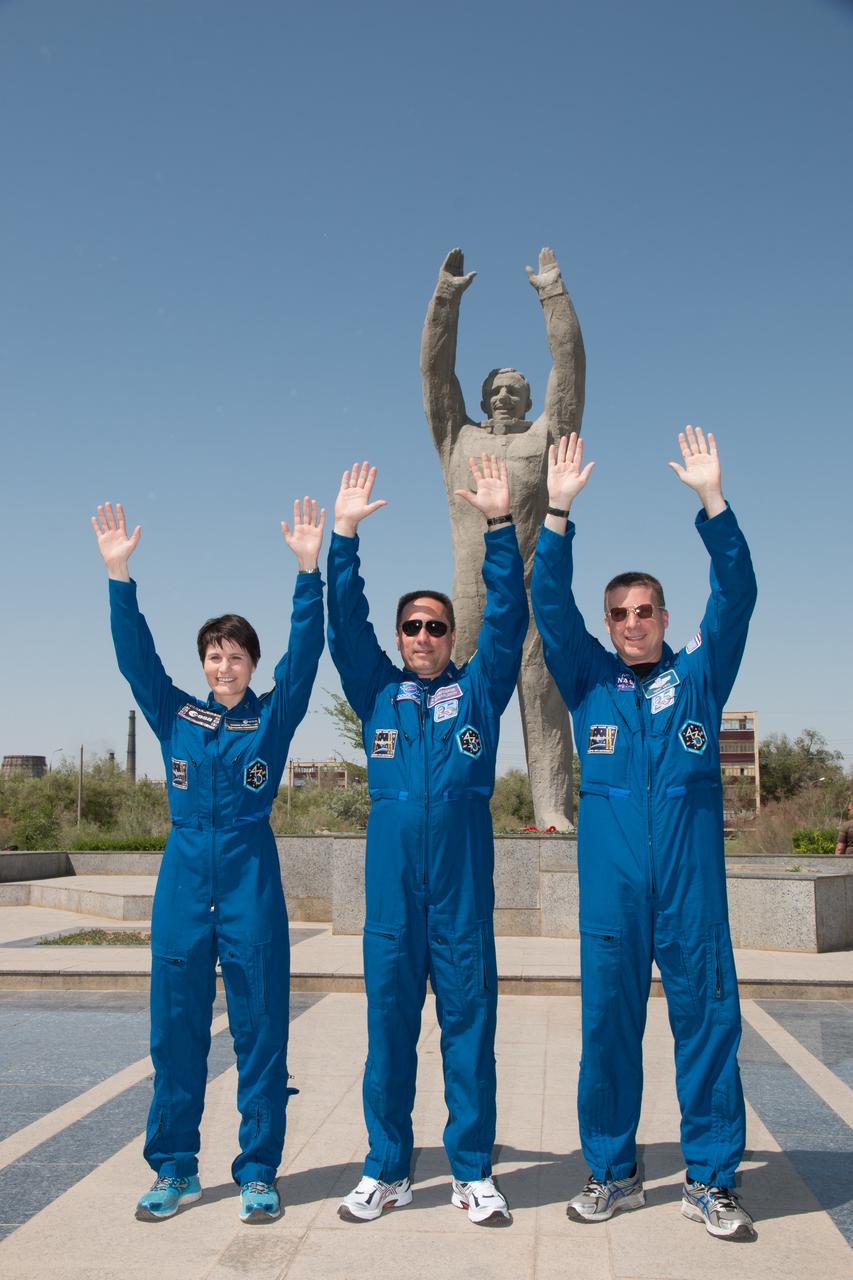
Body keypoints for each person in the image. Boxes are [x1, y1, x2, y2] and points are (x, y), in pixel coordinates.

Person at [531, 428, 758, 1242]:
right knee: (607, 1031)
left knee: (706, 1023)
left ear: (664, 616)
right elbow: (546, 608)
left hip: (690, 895)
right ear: (609, 622)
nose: (632, 622)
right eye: (620, 613)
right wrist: (556, 513)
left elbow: (736, 593)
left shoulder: (696, 676)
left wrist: (711, 502)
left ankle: (710, 1179)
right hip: (614, 897)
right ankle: (612, 1171)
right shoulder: (587, 680)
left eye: (644, 611)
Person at [91, 497, 325, 1224]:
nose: (224, 666)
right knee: (176, 1033)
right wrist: (119, 576)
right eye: (214, 656)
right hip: (184, 882)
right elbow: (137, 660)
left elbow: (307, 652)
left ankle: (258, 1170)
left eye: (236, 656)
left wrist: (307, 570)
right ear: (204, 665)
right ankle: (174, 1168)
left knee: (260, 1035)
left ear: (252, 665)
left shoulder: (270, 716)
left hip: (252, 881)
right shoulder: (176, 715)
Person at [327, 457, 527, 1226]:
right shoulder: (376, 691)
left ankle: (472, 1170)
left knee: (469, 1033)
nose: (421, 636)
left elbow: (508, 617)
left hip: (461, 895)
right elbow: (345, 624)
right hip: (391, 900)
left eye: (434, 627)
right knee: (387, 1035)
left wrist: (499, 527)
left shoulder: (478, 689)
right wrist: (343, 537)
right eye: (410, 626)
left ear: (450, 637)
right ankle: (388, 1169)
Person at [420, 246, 585, 830]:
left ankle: (550, 807)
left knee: (542, 695)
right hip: (472, 593)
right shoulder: (457, 442)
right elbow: (435, 374)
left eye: (515, 388)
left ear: (531, 400)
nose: (502, 395)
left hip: (535, 586)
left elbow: (570, 371)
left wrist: (552, 293)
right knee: (460, 695)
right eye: (495, 388)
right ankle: (453, 798)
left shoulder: (546, 440)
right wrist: (445, 299)